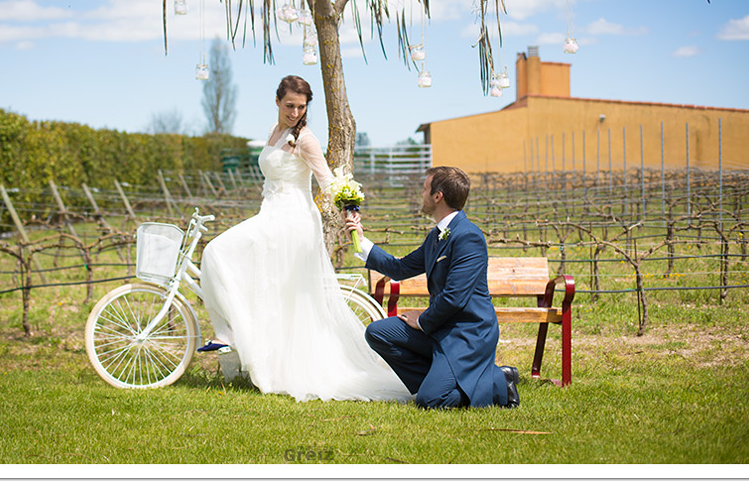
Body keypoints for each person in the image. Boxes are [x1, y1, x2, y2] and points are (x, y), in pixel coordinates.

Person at [199, 75, 411, 403]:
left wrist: (349, 208)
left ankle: (230, 335)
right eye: (289, 105)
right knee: (271, 289)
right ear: (277, 101)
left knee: (217, 251)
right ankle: (252, 347)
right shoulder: (274, 129)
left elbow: (327, 182)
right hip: (270, 214)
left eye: (301, 106)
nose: (295, 112)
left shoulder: (305, 140)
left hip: (292, 221)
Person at [342, 166, 520, 410]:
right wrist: (360, 240)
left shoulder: (468, 237)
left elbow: (455, 298)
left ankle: (498, 380)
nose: (421, 193)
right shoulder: (436, 236)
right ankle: (442, 378)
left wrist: (423, 319)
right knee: (378, 333)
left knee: (431, 400)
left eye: (425, 189)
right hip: (440, 330)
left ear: (438, 196)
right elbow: (399, 268)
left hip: (467, 334)